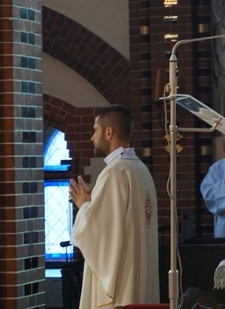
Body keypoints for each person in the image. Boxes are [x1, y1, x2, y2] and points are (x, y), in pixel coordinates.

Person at [69, 105, 159, 308]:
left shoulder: (114, 172)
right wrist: (95, 204)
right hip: (139, 277)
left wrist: (84, 206)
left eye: (95, 130)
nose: (92, 137)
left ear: (109, 132)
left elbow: (95, 233)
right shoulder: (140, 169)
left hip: (120, 287)